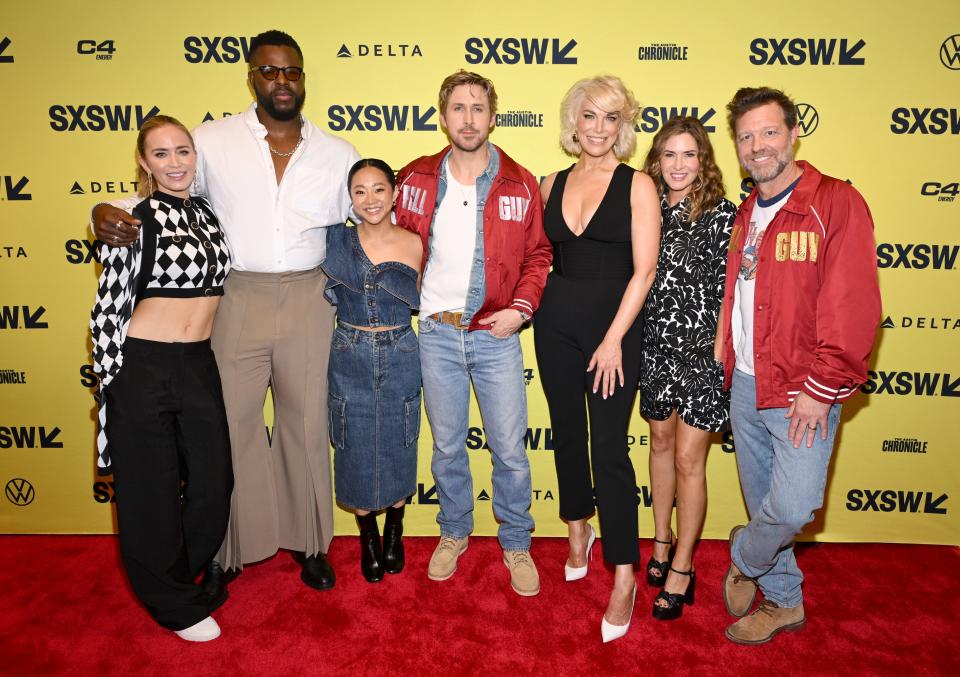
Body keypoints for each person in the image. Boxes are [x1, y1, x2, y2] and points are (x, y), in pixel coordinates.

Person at [91, 30, 360, 599]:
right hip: (235, 298)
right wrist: (100, 212)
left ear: (304, 77)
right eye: (268, 71)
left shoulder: (339, 154)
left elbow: (363, 223)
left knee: (306, 425)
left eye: (291, 71)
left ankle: (310, 544)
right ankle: (229, 548)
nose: (281, 81)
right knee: (229, 429)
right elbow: (161, 192)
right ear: (251, 78)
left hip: (311, 298)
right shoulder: (211, 140)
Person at [719, 86, 881, 644]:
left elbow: (853, 304)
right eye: (746, 136)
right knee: (766, 496)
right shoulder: (746, 212)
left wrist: (821, 386)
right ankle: (784, 600)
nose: (758, 146)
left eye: (769, 132)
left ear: (793, 135)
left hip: (802, 389)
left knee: (791, 508)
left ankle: (745, 554)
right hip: (744, 384)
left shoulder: (834, 202)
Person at [393, 70, 552, 597]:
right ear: (443, 117)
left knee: (509, 449)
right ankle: (454, 531)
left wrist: (522, 308)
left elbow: (538, 254)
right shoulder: (413, 178)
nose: (468, 118)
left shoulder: (520, 182)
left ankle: (516, 541)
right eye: (458, 108)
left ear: (493, 115)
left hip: (495, 334)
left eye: (477, 108)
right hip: (436, 334)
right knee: (446, 447)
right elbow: (385, 236)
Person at [90, 115, 233, 642]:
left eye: (183, 151)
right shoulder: (132, 217)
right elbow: (108, 306)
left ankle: (179, 577)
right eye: (161, 154)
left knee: (214, 480)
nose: (175, 163)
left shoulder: (209, 212)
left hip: (197, 363)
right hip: (142, 365)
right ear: (144, 163)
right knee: (148, 490)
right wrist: (109, 382)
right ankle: (173, 604)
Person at [535, 76, 660, 642]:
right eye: (590, 116)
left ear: (623, 126)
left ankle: (625, 575)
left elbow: (645, 271)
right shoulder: (549, 183)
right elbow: (543, 259)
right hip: (555, 322)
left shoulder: (638, 186)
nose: (599, 129)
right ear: (574, 121)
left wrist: (612, 340)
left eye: (612, 118)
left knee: (610, 448)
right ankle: (577, 528)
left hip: (615, 330)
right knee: (565, 432)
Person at [639, 117, 736, 621]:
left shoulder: (725, 215)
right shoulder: (646, 207)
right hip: (656, 347)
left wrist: (719, 355)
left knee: (688, 461)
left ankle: (682, 566)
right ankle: (659, 541)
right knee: (658, 443)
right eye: (669, 155)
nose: (678, 165)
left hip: (703, 354)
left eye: (689, 155)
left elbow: (731, 291)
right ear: (657, 160)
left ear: (704, 161)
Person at [320, 159, 423, 583]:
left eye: (378, 189)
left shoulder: (416, 242)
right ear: (350, 198)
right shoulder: (334, 242)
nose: (370, 200)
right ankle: (368, 538)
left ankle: (395, 531)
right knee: (352, 438)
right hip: (349, 349)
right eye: (359, 191)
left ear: (394, 193)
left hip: (401, 347)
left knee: (401, 433)